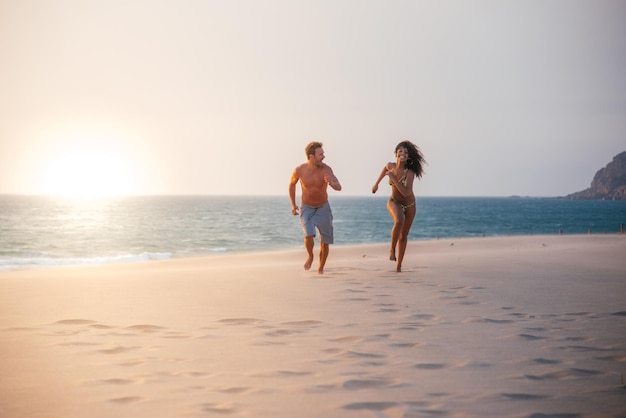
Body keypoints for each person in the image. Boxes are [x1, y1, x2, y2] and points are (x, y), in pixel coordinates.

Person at [372, 140, 426, 272]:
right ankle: (392, 249)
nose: (403, 154)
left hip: (410, 205)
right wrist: (376, 184)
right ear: (396, 153)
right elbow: (385, 169)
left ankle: (399, 266)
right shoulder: (390, 166)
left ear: (409, 156)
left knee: (404, 236)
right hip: (394, 201)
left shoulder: (410, 172)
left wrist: (393, 178)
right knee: (399, 220)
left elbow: (407, 192)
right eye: (400, 151)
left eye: (406, 152)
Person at [289, 142, 342, 274]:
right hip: (306, 208)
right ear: (311, 156)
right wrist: (293, 204)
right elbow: (292, 185)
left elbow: (338, 186)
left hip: (323, 207)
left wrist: (331, 183)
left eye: (323, 153)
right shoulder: (299, 170)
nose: (323, 156)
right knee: (309, 234)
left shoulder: (326, 169)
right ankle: (310, 256)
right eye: (321, 154)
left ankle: (321, 269)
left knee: (325, 241)